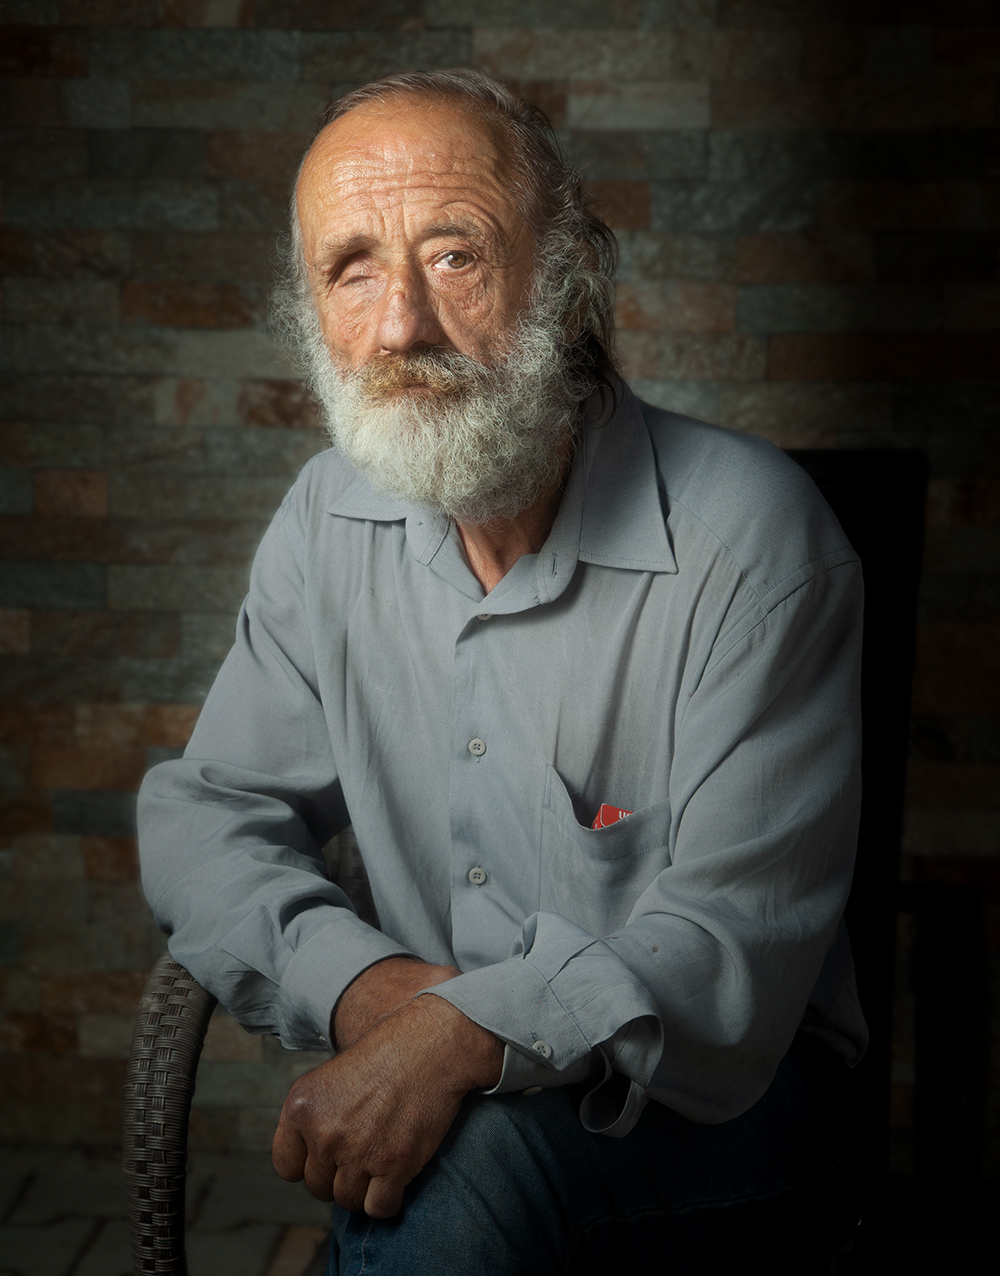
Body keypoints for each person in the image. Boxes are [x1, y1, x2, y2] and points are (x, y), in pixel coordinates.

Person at [138, 69, 867, 1275]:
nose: (400, 327)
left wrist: (460, 1038)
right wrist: (377, 996)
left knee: (455, 1164)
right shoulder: (325, 518)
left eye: (455, 256)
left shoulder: (755, 541)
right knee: (441, 1155)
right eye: (352, 269)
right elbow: (204, 814)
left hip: (725, 1100)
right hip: (448, 1096)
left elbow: (726, 946)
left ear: (564, 279)